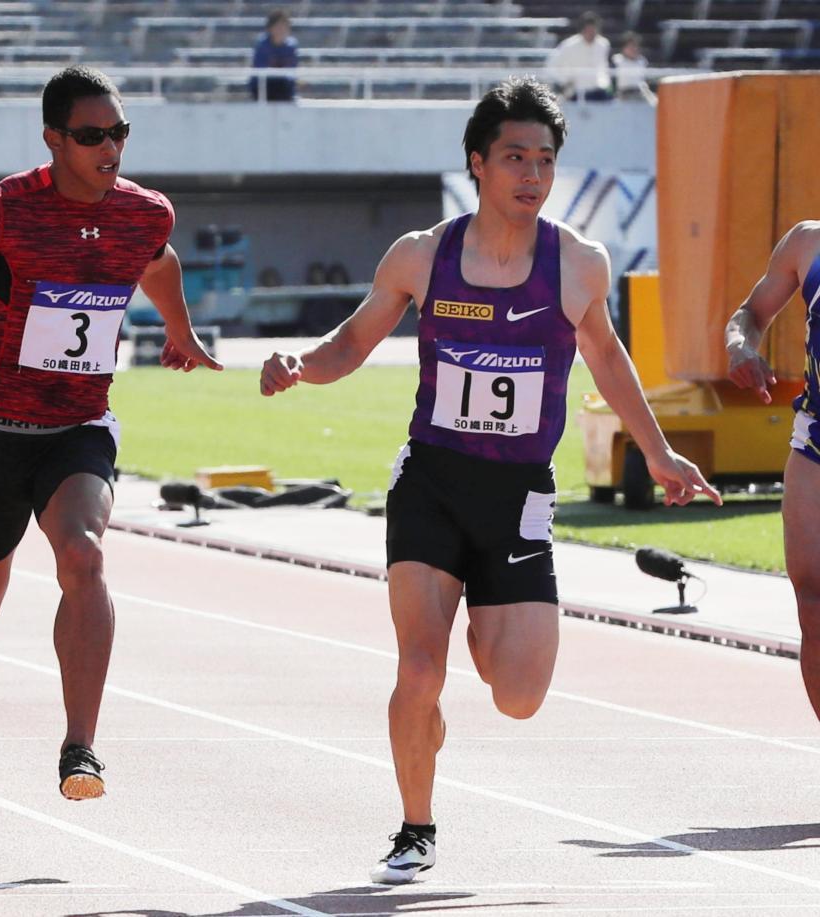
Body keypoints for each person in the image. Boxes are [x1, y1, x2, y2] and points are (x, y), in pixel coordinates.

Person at [260, 76, 721, 883]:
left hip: (516, 500)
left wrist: (657, 450)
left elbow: (608, 361)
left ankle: (479, 622)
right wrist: (300, 365)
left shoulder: (578, 264)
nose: (531, 175)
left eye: (544, 160)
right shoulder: (421, 255)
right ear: (478, 162)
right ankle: (414, 825)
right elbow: (351, 342)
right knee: (419, 668)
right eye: (514, 157)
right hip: (433, 481)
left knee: (518, 694)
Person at [0, 65, 221, 800]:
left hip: (79, 425)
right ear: (54, 139)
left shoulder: (144, 213)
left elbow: (157, 262)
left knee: (84, 551)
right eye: (91, 135)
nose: (110, 148)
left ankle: (81, 747)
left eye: (119, 133)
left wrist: (181, 330)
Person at [725, 221, 820, 733]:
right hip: (816, 445)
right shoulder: (808, 242)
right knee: (813, 608)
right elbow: (750, 315)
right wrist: (740, 346)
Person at [546, 11, 612, 102]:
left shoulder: (603, 44)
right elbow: (551, 66)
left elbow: (603, 68)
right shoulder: (569, 45)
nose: (591, 33)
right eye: (588, 30)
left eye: (593, 29)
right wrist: (564, 81)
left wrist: (606, 83)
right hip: (575, 92)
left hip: (598, 90)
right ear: (582, 30)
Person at [249, 9, 298, 102]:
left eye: (285, 27)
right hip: (264, 87)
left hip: (284, 88)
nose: (282, 30)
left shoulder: (291, 46)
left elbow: (292, 71)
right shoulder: (262, 45)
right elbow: (260, 71)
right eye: (278, 27)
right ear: (270, 28)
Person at [612, 31, 651, 102]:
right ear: (624, 48)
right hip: (623, 94)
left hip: (640, 94)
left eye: (635, 46)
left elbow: (646, 81)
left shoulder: (642, 61)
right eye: (631, 46)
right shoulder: (617, 60)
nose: (634, 49)